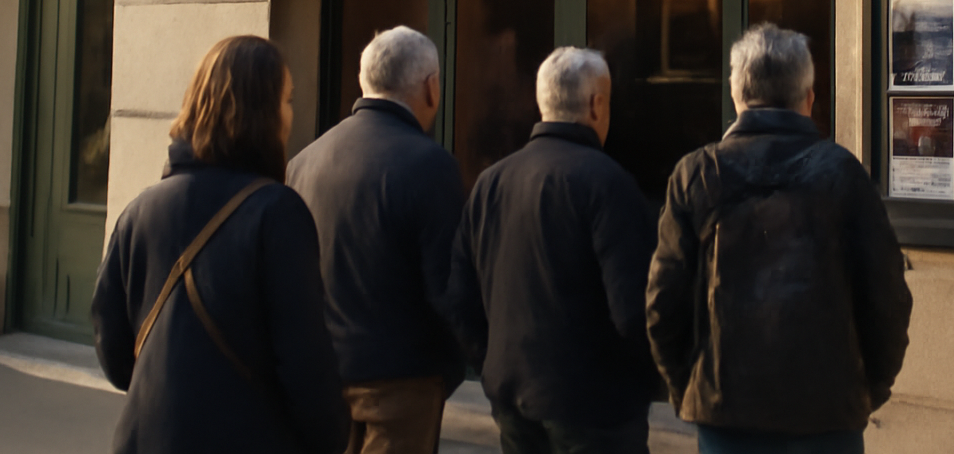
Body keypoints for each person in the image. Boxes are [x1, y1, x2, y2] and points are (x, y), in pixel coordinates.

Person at [646, 24, 913, 454]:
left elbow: (663, 306)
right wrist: (866, 388)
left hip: (725, 413)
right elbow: (887, 296)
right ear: (808, 98)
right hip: (827, 415)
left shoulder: (696, 174)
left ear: (737, 95)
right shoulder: (842, 173)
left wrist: (690, 391)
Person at [93, 35, 348, 454]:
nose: (290, 114)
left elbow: (112, 346)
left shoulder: (141, 209)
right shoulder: (277, 212)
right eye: (285, 100)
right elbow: (305, 365)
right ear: (261, 113)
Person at [447, 47, 659, 454]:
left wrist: (492, 364)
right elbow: (634, 310)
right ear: (597, 104)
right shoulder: (609, 185)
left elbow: (459, 298)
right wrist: (644, 381)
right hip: (595, 409)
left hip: (512, 397)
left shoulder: (491, 183)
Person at [286, 26, 465, 454]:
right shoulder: (430, 164)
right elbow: (450, 285)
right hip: (403, 382)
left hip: (322, 374)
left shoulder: (303, 162)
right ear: (431, 87)